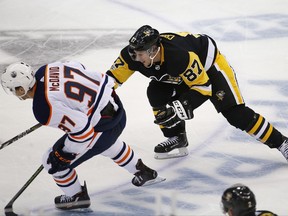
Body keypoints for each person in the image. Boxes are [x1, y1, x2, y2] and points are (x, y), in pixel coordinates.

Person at [106, 25, 288, 160]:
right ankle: (176, 137)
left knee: (235, 114)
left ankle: (282, 143)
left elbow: (204, 87)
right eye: (133, 53)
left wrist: (183, 105)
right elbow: (109, 81)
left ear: (153, 51)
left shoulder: (179, 57)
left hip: (209, 67)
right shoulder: (131, 56)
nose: (135, 58)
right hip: (180, 73)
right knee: (156, 92)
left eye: (140, 54)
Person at [0, 61, 165, 211]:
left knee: (52, 163)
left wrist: (65, 155)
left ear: (21, 89)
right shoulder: (46, 69)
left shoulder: (43, 108)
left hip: (105, 125)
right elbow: (79, 67)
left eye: (12, 89)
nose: (13, 92)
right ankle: (143, 172)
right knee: (103, 143)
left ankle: (77, 198)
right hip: (116, 108)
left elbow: (82, 131)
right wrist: (74, 106)